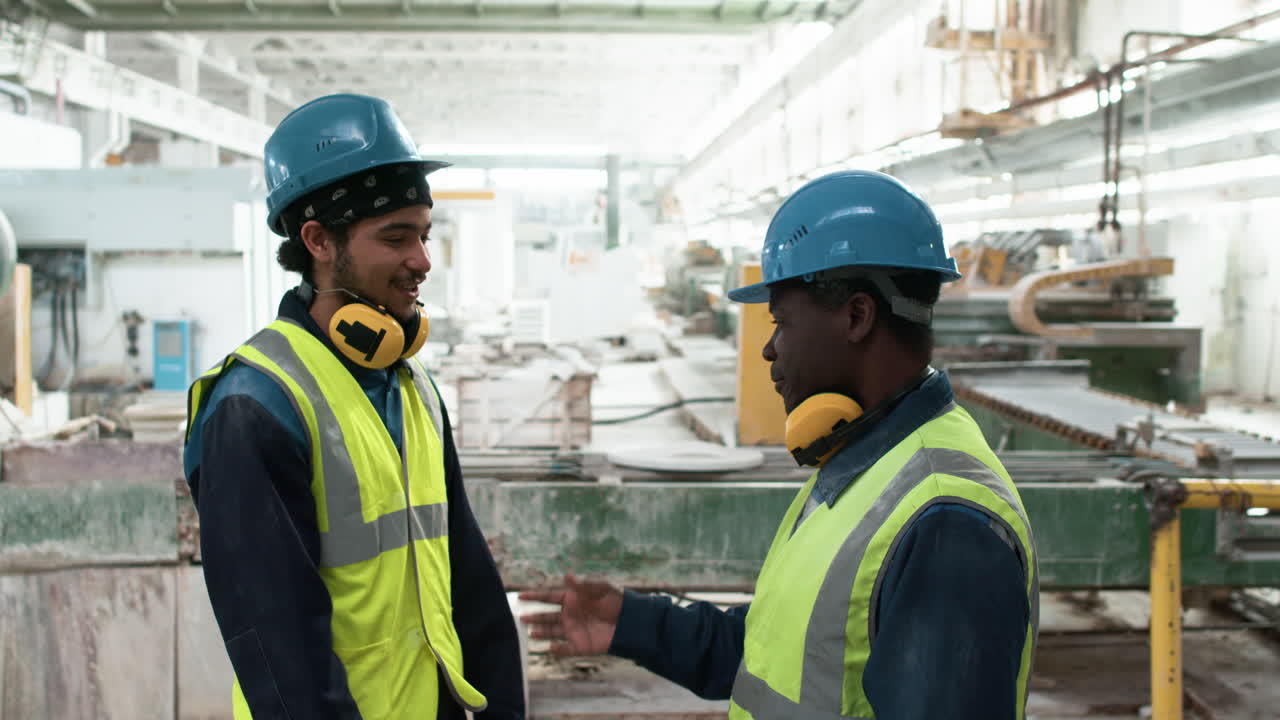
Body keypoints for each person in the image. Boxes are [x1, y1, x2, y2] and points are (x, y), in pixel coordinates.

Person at [521, 170, 1038, 719]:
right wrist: (635, 623)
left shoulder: (944, 526)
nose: (769, 350)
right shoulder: (869, 466)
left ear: (856, 316)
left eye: (782, 321)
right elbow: (790, 649)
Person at [183, 93, 524, 720]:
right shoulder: (255, 406)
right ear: (317, 240)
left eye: (423, 235)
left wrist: (502, 706)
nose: (422, 261)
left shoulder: (410, 382)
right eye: (396, 238)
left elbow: (465, 573)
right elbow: (280, 646)